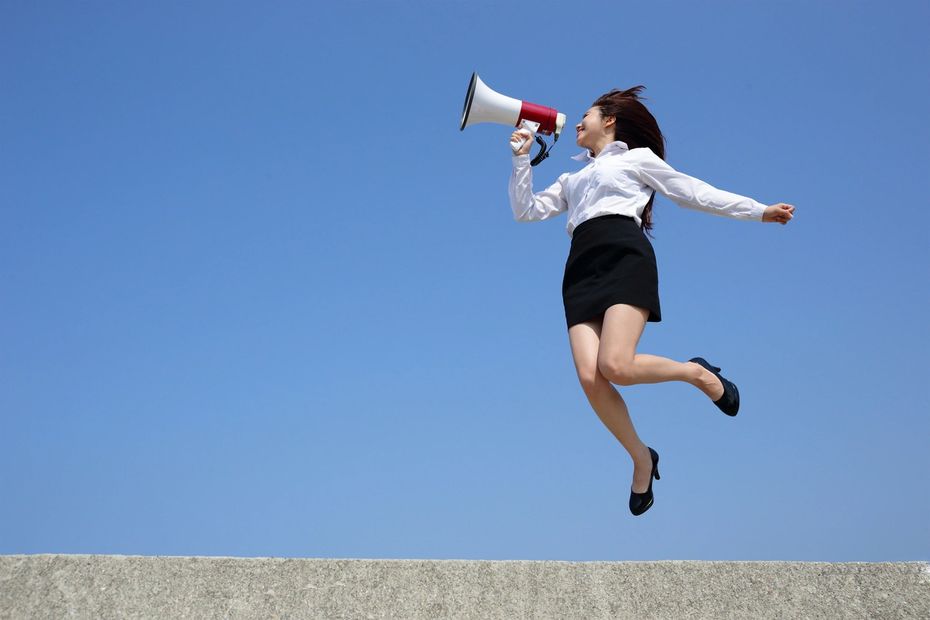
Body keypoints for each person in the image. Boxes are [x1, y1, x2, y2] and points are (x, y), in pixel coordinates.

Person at [507, 86, 795, 516]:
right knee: (591, 378)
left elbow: (692, 191)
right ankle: (642, 457)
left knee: (616, 366)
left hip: (625, 255)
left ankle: (695, 373)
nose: (576, 123)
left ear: (609, 120)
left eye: (586, 115)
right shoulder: (571, 178)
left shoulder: (635, 160)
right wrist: (520, 158)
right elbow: (524, 210)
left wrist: (758, 210)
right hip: (581, 269)